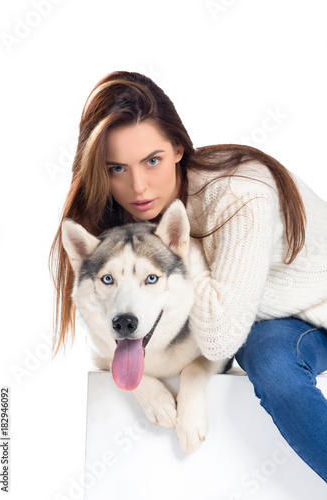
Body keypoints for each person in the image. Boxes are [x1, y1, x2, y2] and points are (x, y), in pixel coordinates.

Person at [49, 70, 327, 481]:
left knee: (269, 361)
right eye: (116, 168)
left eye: (152, 160)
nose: (138, 186)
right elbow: (103, 322)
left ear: (179, 148)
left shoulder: (239, 194)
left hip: (309, 311)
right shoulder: (127, 210)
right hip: (233, 311)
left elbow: (218, 336)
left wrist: (179, 254)